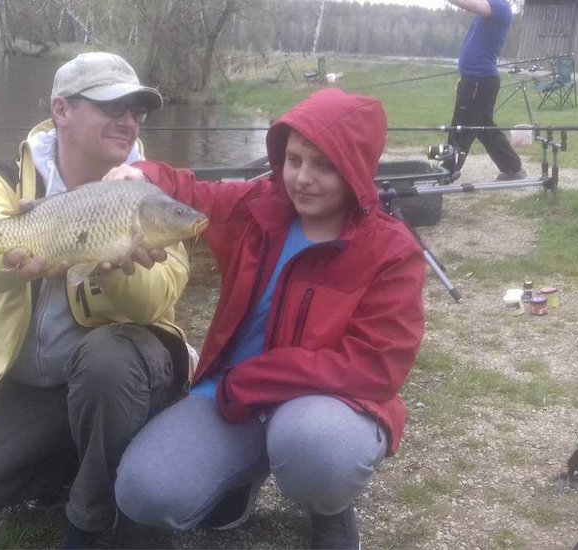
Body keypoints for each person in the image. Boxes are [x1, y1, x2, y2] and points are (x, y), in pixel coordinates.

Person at [0, 52, 193, 549]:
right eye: (112, 106)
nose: (129, 121)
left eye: (136, 110)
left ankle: (94, 513)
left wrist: (112, 272)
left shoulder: (149, 194)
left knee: (107, 358)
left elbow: (158, 301)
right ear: (61, 110)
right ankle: (67, 467)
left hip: (122, 377)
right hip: (31, 387)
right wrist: (12, 259)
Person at [105, 88, 427, 550]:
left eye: (323, 165)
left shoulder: (392, 251)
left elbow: (376, 366)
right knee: (144, 493)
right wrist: (142, 174)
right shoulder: (260, 206)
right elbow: (192, 194)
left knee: (316, 448)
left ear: (357, 170)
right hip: (230, 397)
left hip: (322, 404)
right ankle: (241, 479)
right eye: (294, 160)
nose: (302, 179)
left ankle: (328, 507)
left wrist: (257, 379)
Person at [444, 0, 527, 181]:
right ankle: (513, 168)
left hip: (479, 81)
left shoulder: (500, 7)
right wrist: (464, 76)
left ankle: (446, 172)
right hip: (475, 79)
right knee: (484, 128)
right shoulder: (488, 12)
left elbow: (473, 5)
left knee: (461, 127)